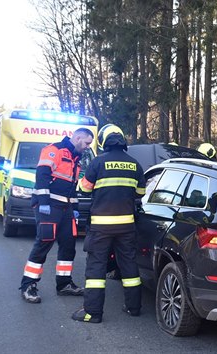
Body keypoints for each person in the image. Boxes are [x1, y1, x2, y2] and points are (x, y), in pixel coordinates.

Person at [72, 124, 145, 323]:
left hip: (101, 226)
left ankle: (92, 313)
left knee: (96, 268)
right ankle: (133, 307)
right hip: (127, 226)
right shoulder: (134, 164)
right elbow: (141, 194)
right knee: (129, 266)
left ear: (103, 141)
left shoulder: (98, 162)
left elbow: (85, 189)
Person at [20, 127, 94, 303]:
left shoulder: (76, 159)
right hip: (49, 207)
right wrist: (44, 202)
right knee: (43, 244)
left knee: (69, 245)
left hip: (66, 208)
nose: (87, 147)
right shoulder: (54, 150)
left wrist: (75, 207)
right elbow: (42, 176)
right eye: (86, 143)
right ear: (77, 138)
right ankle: (28, 285)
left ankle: (64, 284)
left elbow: (72, 186)